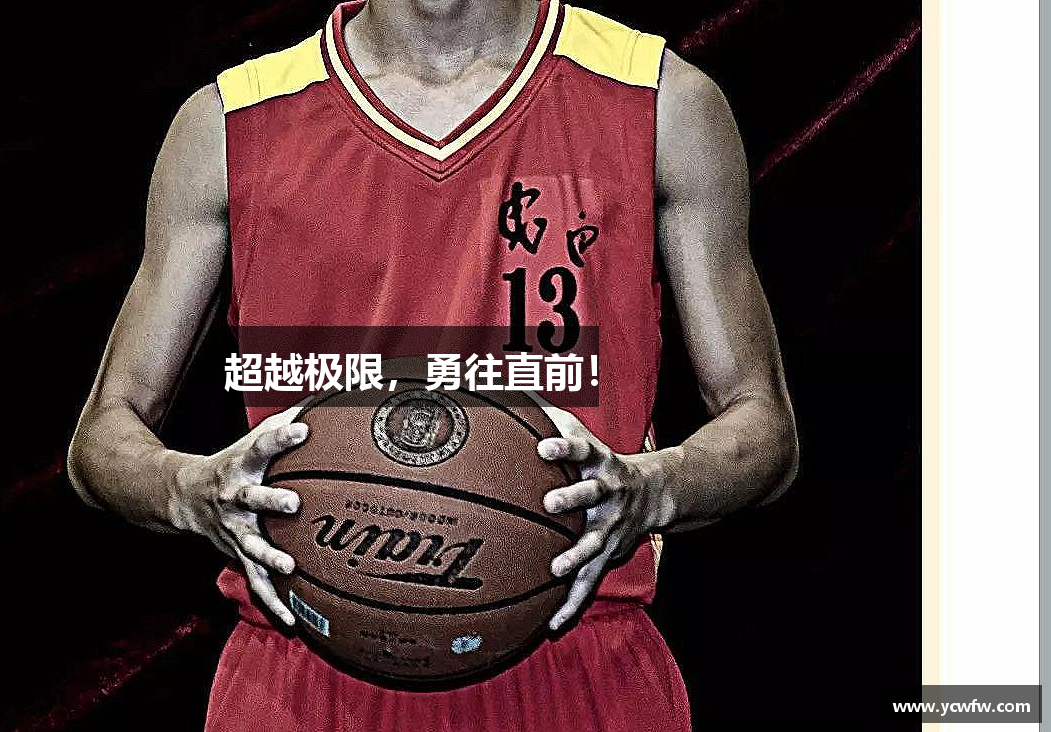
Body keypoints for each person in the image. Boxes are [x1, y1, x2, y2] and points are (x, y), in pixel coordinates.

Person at [68, 0, 799, 729]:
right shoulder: (228, 124)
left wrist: (652, 490)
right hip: (299, 669)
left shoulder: (662, 103)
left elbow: (763, 427)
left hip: (578, 662)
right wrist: (190, 491)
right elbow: (102, 436)